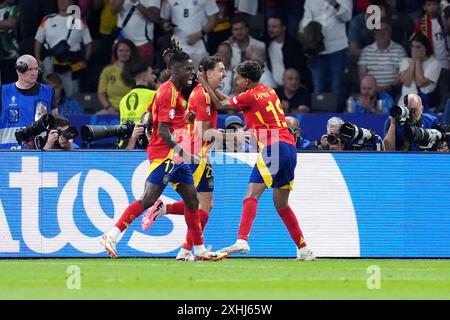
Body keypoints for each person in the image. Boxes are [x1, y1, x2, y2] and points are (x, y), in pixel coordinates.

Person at [100, 40, 227, 261]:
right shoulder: (168, 92)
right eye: (188, 68)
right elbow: (164, 132)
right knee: (148, 198)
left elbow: (151, 116)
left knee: (192, 202)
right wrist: (184, 152)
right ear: (174, 70)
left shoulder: (174, 92)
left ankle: (199, 250)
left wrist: (185, 119)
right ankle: (111, 235)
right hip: (165, 153)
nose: (192, 73)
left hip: (175, 154)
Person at [197, 60, 315, 261]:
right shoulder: (268, 91)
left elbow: (221, 104)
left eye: (239, 78)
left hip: (273, 148)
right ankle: (304, 249)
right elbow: (233, 101)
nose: (235, 81)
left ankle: (242, 239)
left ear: (246, 80)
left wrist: (203, 83)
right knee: (282, 205)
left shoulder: (250, 96)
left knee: (251, 194)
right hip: (289, 150)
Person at [140, 55, 227, 261]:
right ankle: (191, 250)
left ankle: (187, 249)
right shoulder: (200, 96)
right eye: (220, 70)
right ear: (206, 72)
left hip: (200, 154)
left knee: (202, 205)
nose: (224, 74)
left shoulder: (207, 93)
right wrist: (232, 136)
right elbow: (201, 134)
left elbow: (228, 104)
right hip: (192, 154)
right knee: (199, 206)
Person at [34, 0, 93, 97]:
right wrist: (38, 59)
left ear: (71, 2)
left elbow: (88, 43)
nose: (62, 2)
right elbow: (38, 41)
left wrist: (86, 60)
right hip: (51, 62)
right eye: (60, 0)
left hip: (72, 63)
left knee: (72, 95)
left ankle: (71, 111)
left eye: (65, 0)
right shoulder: (47, 19)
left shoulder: (79, 21)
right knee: (49, 93)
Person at [300, 0, 352, 105]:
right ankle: (319, 119)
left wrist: (334, 3)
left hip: (338, 48)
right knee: (318, 88)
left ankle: (337, 119)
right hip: (317, 50)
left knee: (336, 87)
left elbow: (347, 17)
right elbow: (306, 21)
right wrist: (312, 32)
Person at [0, 54, 58, 149]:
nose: (34, 73)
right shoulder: (3, 92)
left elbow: (56, 122)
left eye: (36, 69)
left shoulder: (48, 92)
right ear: (19, 70)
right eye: (30, 69)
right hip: (7, 154)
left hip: (39, 152)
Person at [358, 18, 407, 97]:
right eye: (379, 30)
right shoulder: (366, 51)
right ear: (374, 33)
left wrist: (389, 87)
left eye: (385, 30)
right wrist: (372, 88)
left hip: (392, 91)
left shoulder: (399, 50)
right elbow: (362, 74)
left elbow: (403, 75)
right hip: (371, 92)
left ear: (390, 33)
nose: (382, 33)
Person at [160, 0, 219, 66]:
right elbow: (164, 19)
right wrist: (166, 25)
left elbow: (213, 19)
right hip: (179, 47)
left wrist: (199, 34)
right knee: (181, 75)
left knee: (200, 74)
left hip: (199, 46)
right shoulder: (168, 1)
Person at [266, 15, 313, 93]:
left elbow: (301, 68)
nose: (270, 29)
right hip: (272, 88)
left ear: (283, 28)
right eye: (269, 27)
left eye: (274, 27)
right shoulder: (265, 43)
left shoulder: (294, 45)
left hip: (291, 88)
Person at [399, 32, 442, 112]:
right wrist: (413, 62)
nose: (414, 50)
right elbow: (406, 82)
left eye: (418, 47)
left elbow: (421, 82)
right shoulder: (405, 61)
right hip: (404, 105)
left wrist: (418, 61)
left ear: (425, 48)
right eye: (412, 47)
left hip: (423, 106)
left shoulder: (434, 63)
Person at [118, 61, 156, 149]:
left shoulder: (123, 99)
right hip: (144, 148)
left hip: (125, 149)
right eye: (151, 73)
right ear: (144, 77)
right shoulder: (155, 95)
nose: (154, 76)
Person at [110, 0, 160, 65]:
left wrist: (136, 2)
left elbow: (153, 17)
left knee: (141, 74)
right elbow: (114, 10)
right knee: (116, 73)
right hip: (121, 43)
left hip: (142, 43)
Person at [97, 38, 140, 114]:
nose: (124, 53)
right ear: (116, 52)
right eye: (121, 51)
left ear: (131, 52)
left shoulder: (137, 70)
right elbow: (101, 93)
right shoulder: (108, 70)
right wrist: (108, 108)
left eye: (127, 51)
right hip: (111, 111)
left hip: (132, 111)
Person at [415, 0, 449, 69]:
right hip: (430, 59)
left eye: (434, 4)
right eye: (429, 5)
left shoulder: (444, 19)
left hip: (445, 58)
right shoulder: (421, 23)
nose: (432, 7)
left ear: (438, 6)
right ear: (424, 7)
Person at [0, 0, 20, 85]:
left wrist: (6, 24)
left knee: (9, 85)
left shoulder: (14, 8)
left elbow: (11, 23)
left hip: (10, 54)